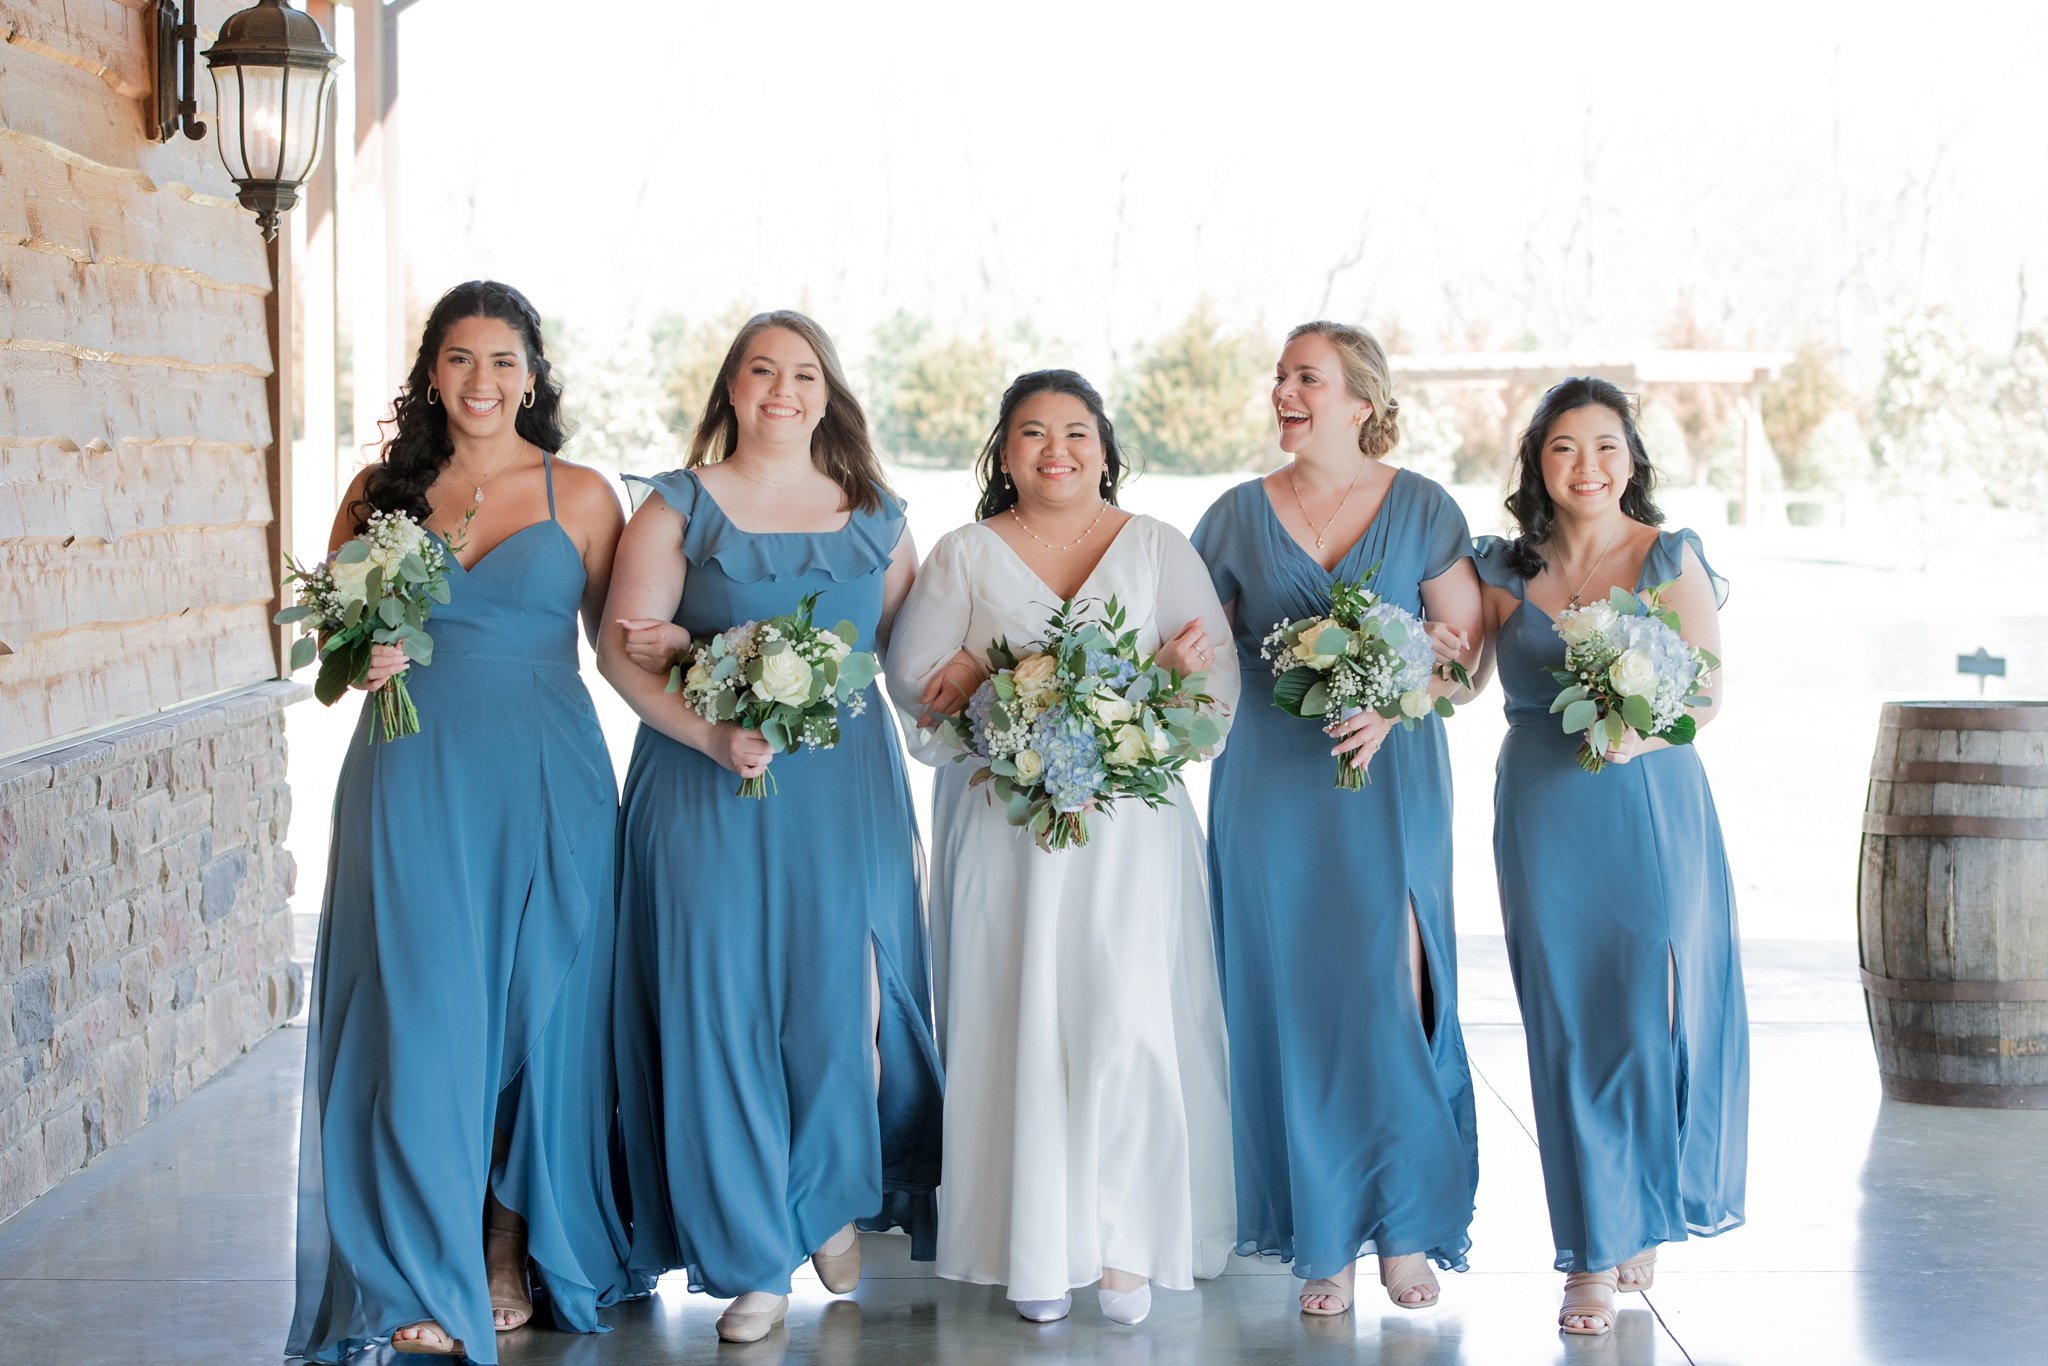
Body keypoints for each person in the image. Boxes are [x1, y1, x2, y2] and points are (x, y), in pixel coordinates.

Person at [287, 281, 630, 1362]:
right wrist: (359, 655)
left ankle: (503, 1243)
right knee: (423, 1016)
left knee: (541, 1013)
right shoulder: (376, 491)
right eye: (459, 359)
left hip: (546, 778)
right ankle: (412, 1264)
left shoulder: (582, 496)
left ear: (533, 374)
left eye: (503, 360)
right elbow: (328, 663)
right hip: (411, 774)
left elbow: (624, 646)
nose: (482, 382)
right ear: (431, 372)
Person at [599, 310, 943, 1345]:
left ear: (828, 393)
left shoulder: (876, 514)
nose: (782, 391)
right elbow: (625, 656)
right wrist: (711, 730)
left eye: (803, 374)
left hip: (846, 792)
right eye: (762, 371)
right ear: (731, 389)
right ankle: (753, 1257)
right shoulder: (674, 507)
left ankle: (829, 1194)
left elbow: (908, 655)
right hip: (703, 786)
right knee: (721, 1015)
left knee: (854, 1007)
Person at [886, 369, 1237, 1328]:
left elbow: (1213, 699)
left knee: (1125, 1021)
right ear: (1003, 452)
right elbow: (920, 698)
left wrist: (1145, 710)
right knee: (1018, 1023)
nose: (1057, 450)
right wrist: (980, 695)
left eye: (1076, 432)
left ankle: (1127, 1244)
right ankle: (1029, 1245)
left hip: (1129, 837)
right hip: (1006, 838)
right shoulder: (963, 555)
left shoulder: (1160, 549)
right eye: (1033, 432)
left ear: (1105, 447)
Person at [1189, 321, 1482, 1315]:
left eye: (1304, 377)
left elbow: (1465, 659)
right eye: (1277, 376)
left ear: (1361, 400)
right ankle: (1324, 1237)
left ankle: (1403, 1226)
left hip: (1389, 782)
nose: (1283, 390)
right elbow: (1197, 656)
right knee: (1294, 1005)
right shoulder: (1231, 518)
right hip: (1268, 788)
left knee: (1389, 994)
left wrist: (1402, 693)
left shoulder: (1424, 506)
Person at [1471, 375, 1747, 1337]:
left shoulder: (1668, 558)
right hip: (1545, 812)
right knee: (1567, 1023)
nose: (1585, 466)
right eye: (1562, 448)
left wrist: (1650, 732)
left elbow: (1706, 695)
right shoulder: (1504, 572)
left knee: (1646, 1012)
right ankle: (1589, 1252)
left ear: (1631, 460)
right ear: (1538, 465)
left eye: (1604, 446)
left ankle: (1637, 1213)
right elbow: (1458, 680)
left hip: (1648, 802)